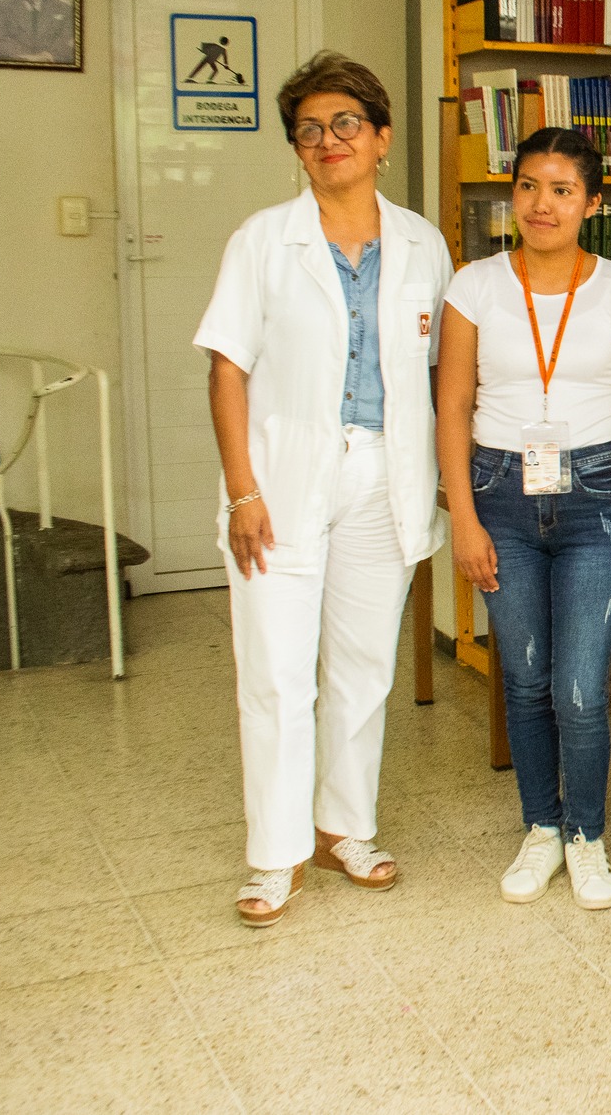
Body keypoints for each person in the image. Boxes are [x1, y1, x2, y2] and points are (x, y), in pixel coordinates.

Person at [194, 52, 452, 927]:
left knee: (363, 667)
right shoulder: (264, 240)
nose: (327, 140)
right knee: (273, 671)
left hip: (386, 473)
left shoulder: (423, 243)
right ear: (297, 149)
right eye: (309, 129)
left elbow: (440, 370)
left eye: (345, 124)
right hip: (282, 477)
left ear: (380, 138)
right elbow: (227, 371)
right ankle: (274, 853)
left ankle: (346, 824)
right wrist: (242, 492)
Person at [436, 127, 611, 911]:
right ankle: (541, 825)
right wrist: (463, 518)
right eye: (529, 186)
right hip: (498, 494)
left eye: (563, 189)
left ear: (592, 203)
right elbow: (454, 403)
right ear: (513, 194)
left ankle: (585, 835)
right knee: (525, 677)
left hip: (598, 498)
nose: (542, 203)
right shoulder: (474, 285)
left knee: (576, 686)